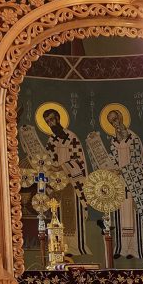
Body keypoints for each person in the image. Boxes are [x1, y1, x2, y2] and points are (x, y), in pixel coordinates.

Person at [43, 108, 91, 256]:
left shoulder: (71, 137)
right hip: (57, 183)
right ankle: (60, 248)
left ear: (58, 118)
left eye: (52, 119)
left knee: (73, 215)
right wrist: (50, 168)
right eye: (48, 122)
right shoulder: (51, 141)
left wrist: (62, 167)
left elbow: (78, 160)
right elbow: (47, 160)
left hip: (72, 182)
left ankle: (76, 247)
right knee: (58, 214)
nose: (51, 123)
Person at [106, 108, 143, 259]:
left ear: (121, 118)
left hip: (133, 182)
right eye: (111, 122)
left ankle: (135, 248)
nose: (115, 123)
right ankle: (122, 248)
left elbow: (138, 162)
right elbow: (112, 159)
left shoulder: (134, 138)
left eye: (116, 119)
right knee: (120, 215)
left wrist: (123, 170)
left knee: (133, 213)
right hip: (119, 183)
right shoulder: (113, 141)